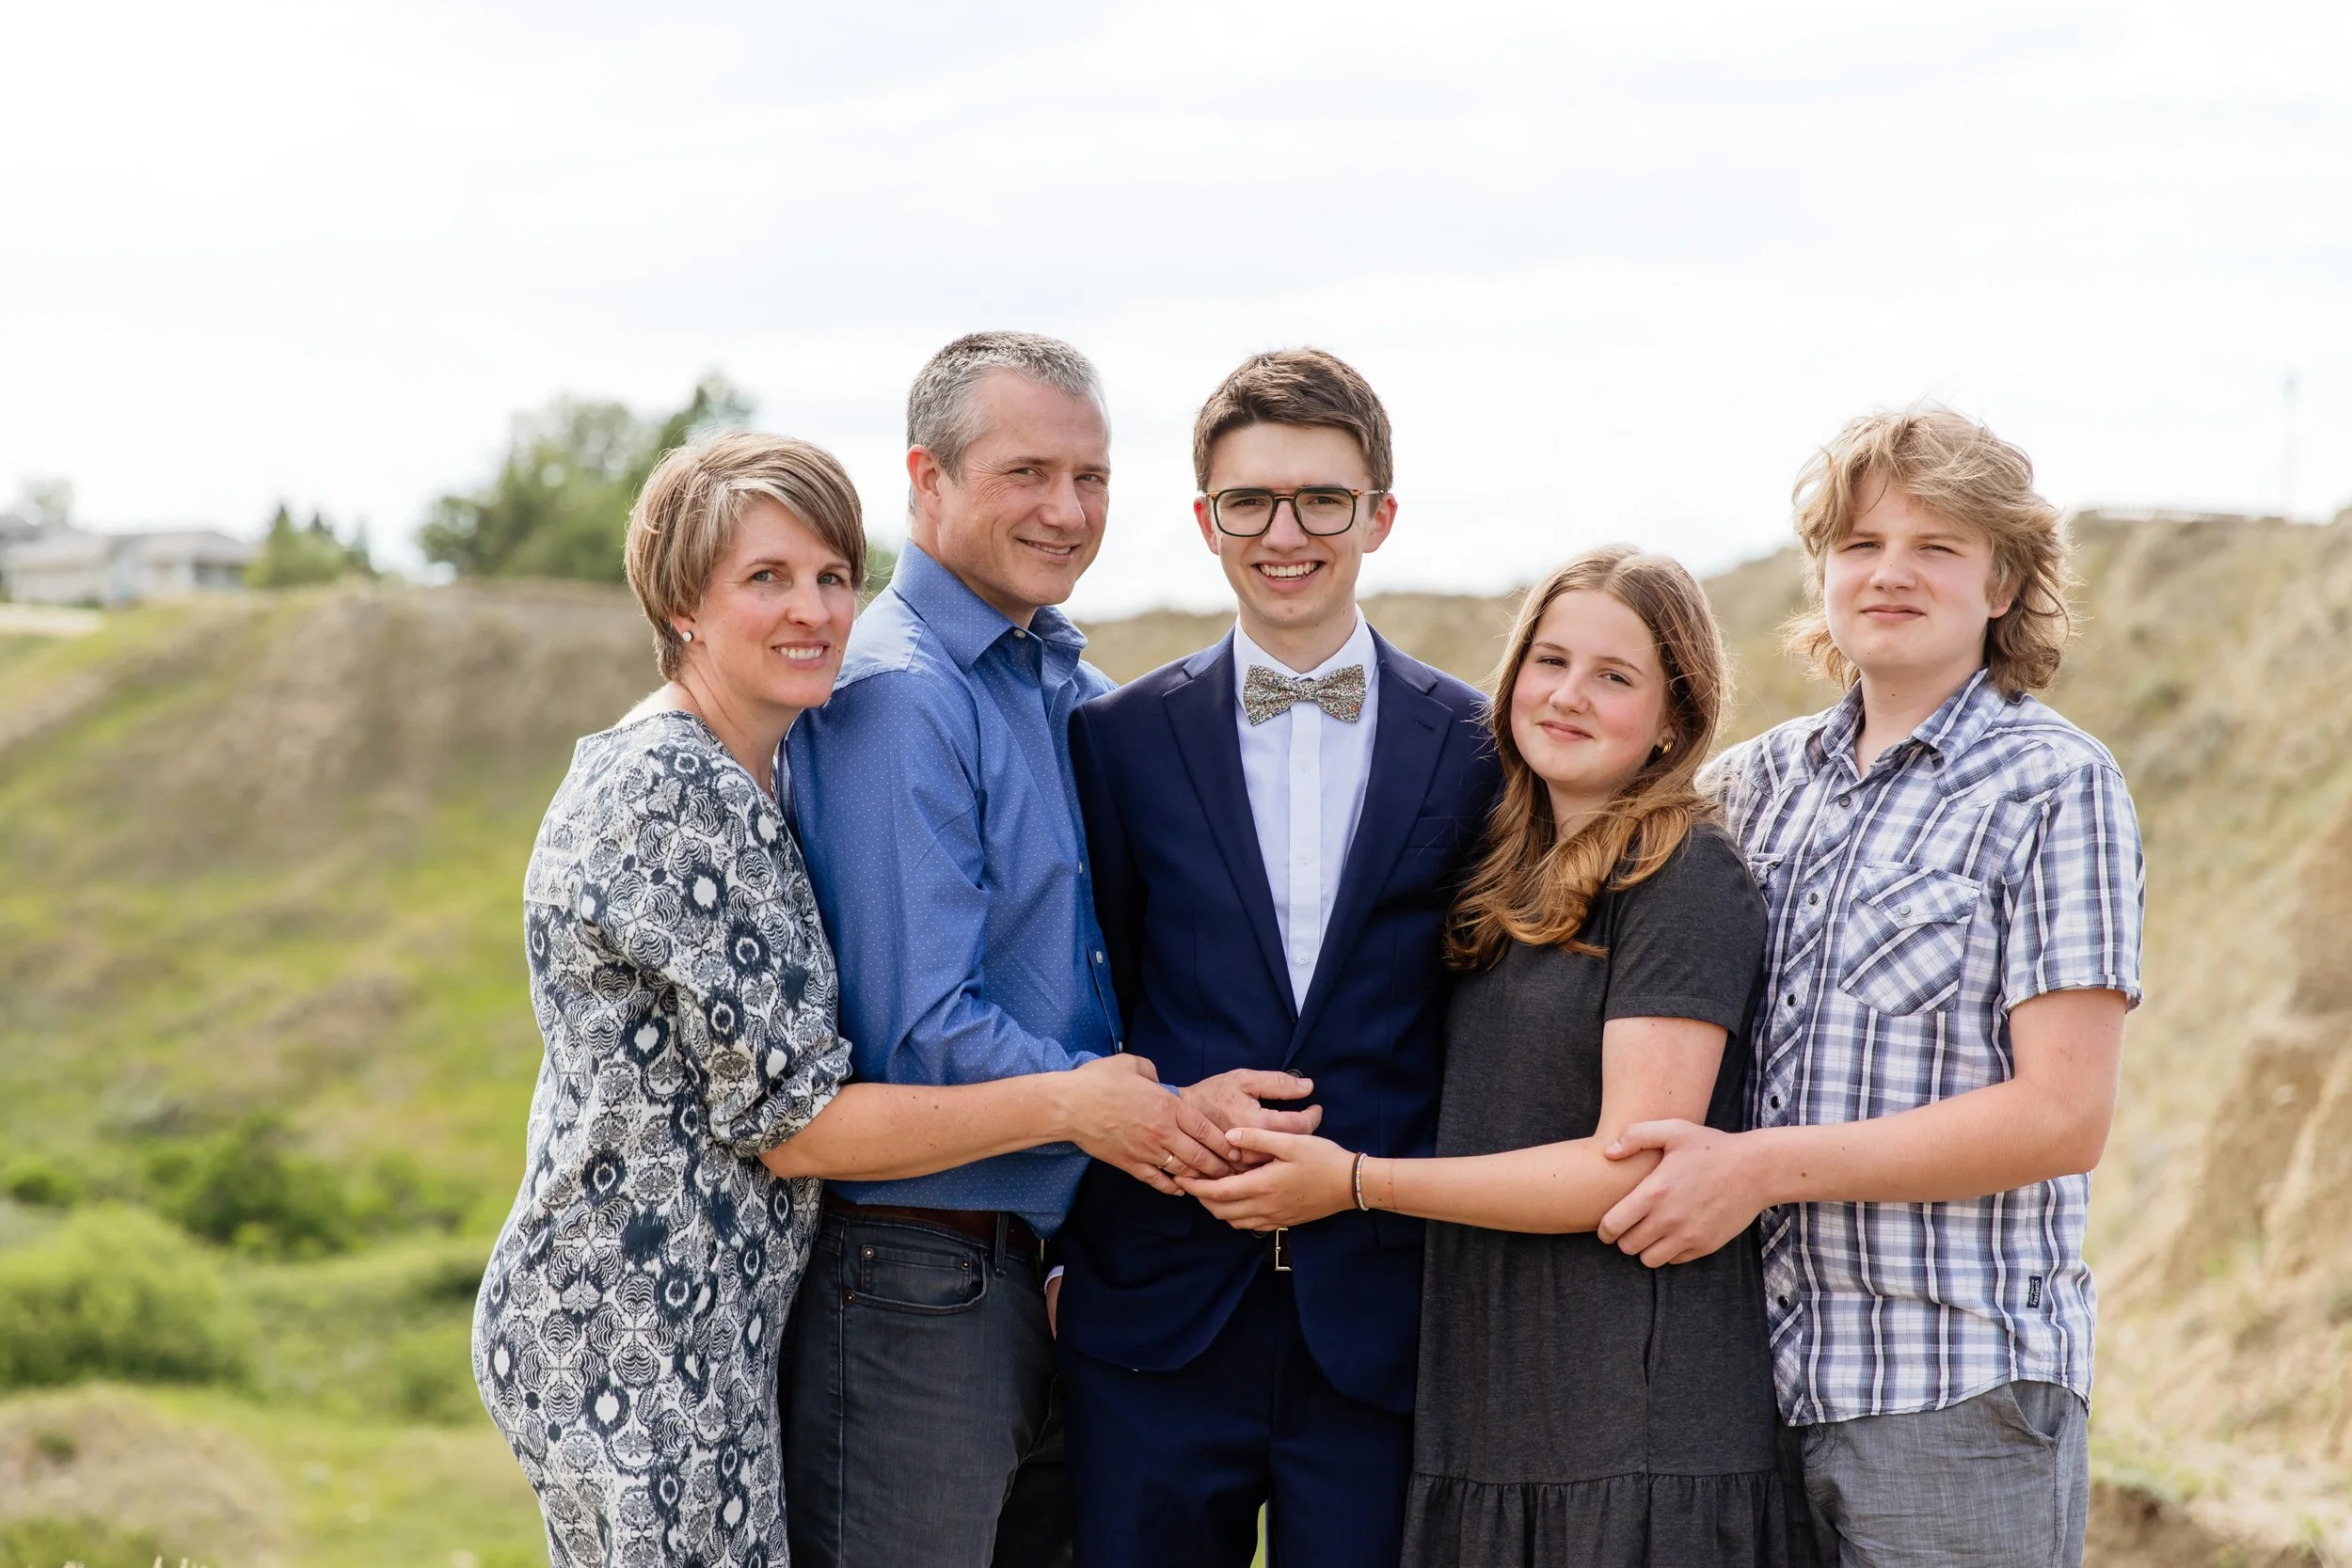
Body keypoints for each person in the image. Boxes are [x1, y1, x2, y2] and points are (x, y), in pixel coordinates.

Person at [472, 431, 1203, 1568]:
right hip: (631, 1318)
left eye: (830, 576)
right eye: (764, 578)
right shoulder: (669, 788)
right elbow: (800, 1128)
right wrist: (1072, 1105)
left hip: (709, 1310)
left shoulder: (760, 767)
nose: (812, 608)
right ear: (680, 605)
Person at [780, 333, 1311, 1568]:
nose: (1068, 511)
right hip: (917, 1274)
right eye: (1028, 472)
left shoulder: (1059, 679)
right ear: (928, 478)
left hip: (1043, 1268)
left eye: (1093, 476)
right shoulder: (902, 694)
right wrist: (1159, 1115)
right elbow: (922, 1032)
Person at [1596, 406, 2146, 1567]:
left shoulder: (2053, 786)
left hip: (1952, 1393)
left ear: (2001, 582)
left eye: (1935, 546)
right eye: (1859, 543)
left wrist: (1754, 1168)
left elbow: (2062, 1114)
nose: (1889, 571)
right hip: (1741, 1388)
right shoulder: (1748, 789)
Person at [1215, 546, 1788, 1567]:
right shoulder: (1500, 868)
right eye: (1549, 660)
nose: (1567, 695)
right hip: (1494, 1397)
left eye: (1613, 676)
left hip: (1630, 1417)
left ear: (1673, 716)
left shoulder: (1680, 874)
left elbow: (1632, 1159)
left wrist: (1351, 1183)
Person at [1054, 348, 1502, 1568]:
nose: (1284, 531)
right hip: (1155, 1305)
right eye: (1249, 500)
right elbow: (1100, 994)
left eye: (1322, 500)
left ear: (1378, 515)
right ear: (1206, 520)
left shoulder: (1479, 743)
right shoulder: (1117, 737)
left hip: (1383, 1315)